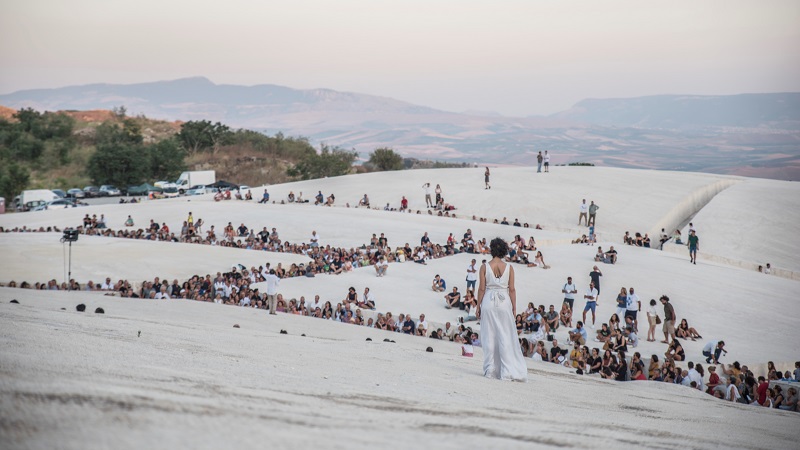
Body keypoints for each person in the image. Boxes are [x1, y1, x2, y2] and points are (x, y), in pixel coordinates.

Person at [476, 238, 527, 381]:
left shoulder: (484, 267)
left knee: (489, 336)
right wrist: (514, 307)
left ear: (492, 249)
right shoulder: (509, 268)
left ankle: (490, 370)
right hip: (504, 302)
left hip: (489, 300)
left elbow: (481, 288)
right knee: (505, 336)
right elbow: (512, 289)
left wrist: (478, 305)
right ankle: (506, 370)